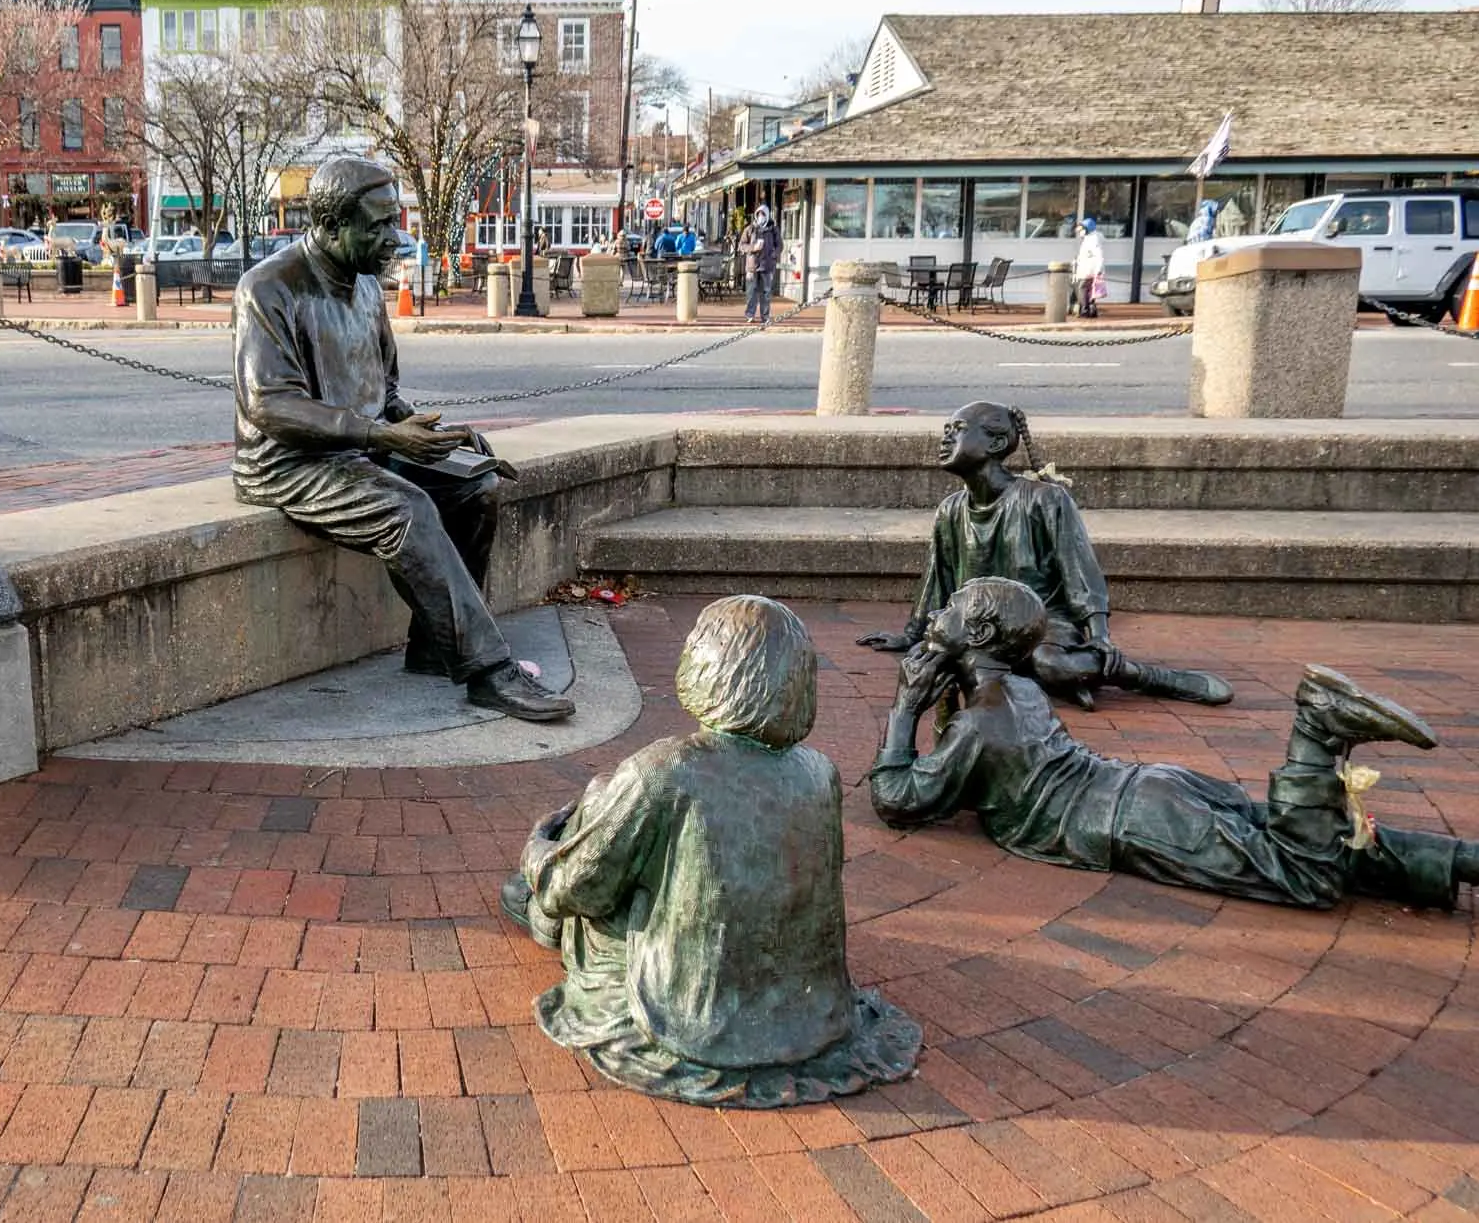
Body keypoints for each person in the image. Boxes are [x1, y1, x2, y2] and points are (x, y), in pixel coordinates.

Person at [505, 596, 921, 1106]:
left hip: (689, 1009)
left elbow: (580, 889)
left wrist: (538, 849)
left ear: (707, 666)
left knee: (554, 884)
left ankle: (534, 900)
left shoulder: (664, 770)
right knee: (608, 820)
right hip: (809, 1011)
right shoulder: (819, 773)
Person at [870, 577, 1479, 912]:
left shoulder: (983, 722)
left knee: (1301, 877)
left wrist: (903, 708)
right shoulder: (1021, 690)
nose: (936, 612)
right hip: (1148, 789)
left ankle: (1317, 732)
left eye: (950, 607)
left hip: (1127, 820)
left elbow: (898, 798)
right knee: (1295, 837)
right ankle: (1457, 860)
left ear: (976, 632)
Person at [231, 156, 574, 723]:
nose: (395, 238)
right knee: (407, 506)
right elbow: (271, 404)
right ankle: (488, 671)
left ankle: (434, 648)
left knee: (478, 486)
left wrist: (438, 438)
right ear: (332, 225)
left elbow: (385, 394)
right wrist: (380, 434)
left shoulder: (367, 288)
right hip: (290, 463)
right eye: (379, 225)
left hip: (364, 446)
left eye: (395, 221)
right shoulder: (267, 289)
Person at [858, 402, 1233, 708]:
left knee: (1048, 663)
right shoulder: (950, 510)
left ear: (994, 443)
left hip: (1042, 624)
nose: (944, 437)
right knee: (930, 663)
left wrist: (1099, 634)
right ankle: (1041, 676)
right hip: (980, 626)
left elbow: (1080, 570)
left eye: (956, 429)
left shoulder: (1045, 499)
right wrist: (911, 634)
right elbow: (936, 579)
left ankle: (1134, 674)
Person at [738, 205, 781, 323]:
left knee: (766, 293)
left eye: (763, 214)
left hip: (767, 266)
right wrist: (753, 248)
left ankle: (765, 316)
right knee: (751, 292)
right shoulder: (750, 229)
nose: (761, 217)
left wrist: (773, 254)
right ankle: (750, 314)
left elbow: (779, 245)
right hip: (752, 266)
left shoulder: (773, 229)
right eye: (759, 214)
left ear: (767, 215)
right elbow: (741, 245)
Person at [1072, 217, 1106, 318]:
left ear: (1087, 229)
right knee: (1090, 290)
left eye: (1082, 229)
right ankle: (1091, 309)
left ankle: (1085, 309)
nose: (1080, 232)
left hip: (1089, 269)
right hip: (1088, 269)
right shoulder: (1089, 238)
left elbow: (1098, 255)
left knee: (1082, 288)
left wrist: (1098, 269)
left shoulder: (1092, 240)